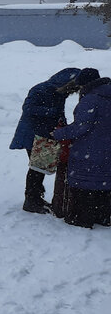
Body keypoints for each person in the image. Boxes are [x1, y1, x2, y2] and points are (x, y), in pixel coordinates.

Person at [9, 68, 81, 213]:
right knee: (37, 168)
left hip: (43, 134)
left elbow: (59, 114)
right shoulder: (41, 89)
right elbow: (28, 108)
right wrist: (51, 113)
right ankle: (31, 200)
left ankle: (36, 198)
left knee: (40, 167)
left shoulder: (60, 93)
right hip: (32, 134)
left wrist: (63, 126)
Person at [53, 68, 110, 228]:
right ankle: (103, 217)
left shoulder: (91, 99)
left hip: (89, 150)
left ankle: (82, 218)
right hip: (107, 151)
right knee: (103, 183)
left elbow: (80, 127)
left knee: (85, 184)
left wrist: (58, 133)